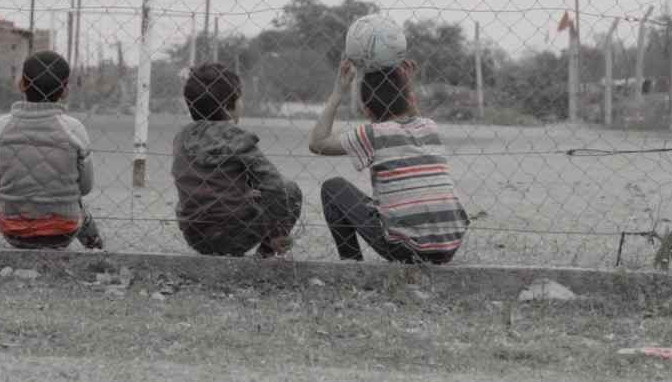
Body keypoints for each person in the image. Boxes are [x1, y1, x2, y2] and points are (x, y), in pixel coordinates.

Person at [308, 59, 470, 263]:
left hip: (406, 250)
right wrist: (406, 84)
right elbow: (412, 114)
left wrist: (338, 93)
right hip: (448, 247)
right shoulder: (429, 127)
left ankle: (352, 265)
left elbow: (317, 143)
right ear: (408, 100)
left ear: (367, 111)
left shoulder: (373, 134)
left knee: (333, 187)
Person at [0, 50, 103, 250]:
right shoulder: (74, 128)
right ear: (65, 90)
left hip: (14, 231)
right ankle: (96, 248)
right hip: (62, 232)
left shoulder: (1, 126)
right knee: (76, 202)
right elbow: (85, 187)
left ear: (21, 84)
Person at [171, 62, 302, 257]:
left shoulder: (181, 137)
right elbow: (274, 185)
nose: (242, 103)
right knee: (290, 190)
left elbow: (213, 180)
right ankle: (267, 253)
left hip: (194, 234)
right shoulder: (237, 138)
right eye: (240, 97)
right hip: (234, 234)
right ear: (227, 106)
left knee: (243, 185)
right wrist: (277, 232)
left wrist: (245, 194)